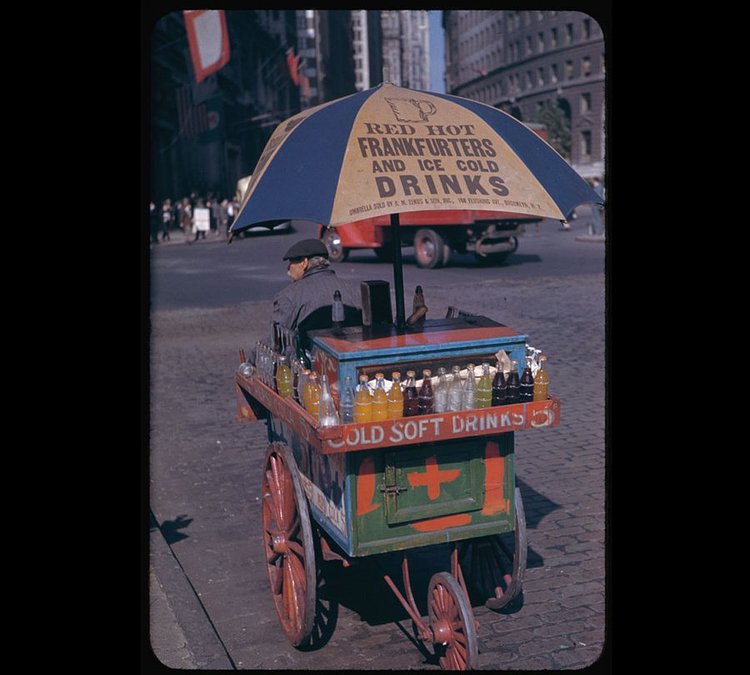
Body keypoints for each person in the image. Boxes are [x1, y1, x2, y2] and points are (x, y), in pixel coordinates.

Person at [271, 238, 361, 333]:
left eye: (291, 262)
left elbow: (277, 339)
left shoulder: (289, 296)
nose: (288, 267)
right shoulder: (355, 289)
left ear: (304, 263)